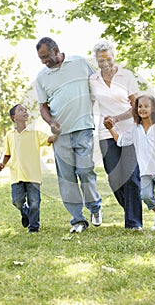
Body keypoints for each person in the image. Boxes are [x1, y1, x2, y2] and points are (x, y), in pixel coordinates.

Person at [35, 37, 102, 233]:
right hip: (60, 134)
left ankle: (95, 207)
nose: (44, 61)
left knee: (85, 170)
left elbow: (96, 85)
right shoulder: (42, 76)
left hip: (83, 127)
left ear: (56, 50)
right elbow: (43, 107)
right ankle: (78, 220)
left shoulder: (80, 63)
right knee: (67, 178)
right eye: (40, 58)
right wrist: (50, 122)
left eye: (46, 56)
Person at [89, 40, 142, 231]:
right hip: (105, 134)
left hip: (129, 130)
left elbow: (137, 105)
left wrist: (117, 119)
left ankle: (134, 223)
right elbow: (86, 103)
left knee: (131, 177)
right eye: (101, 60)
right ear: (96, 60)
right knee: (114, 179)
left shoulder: (126, 76)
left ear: (114, 56)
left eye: (108, 59)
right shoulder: (93, 80)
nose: (105, 63)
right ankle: (133, 210)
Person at [105, 94, 155, 235]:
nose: (142, 109)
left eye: (146, 106)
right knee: (145, 196)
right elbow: (121, 141)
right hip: (145, 171)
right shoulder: (135, 129)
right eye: (139, 106)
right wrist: (110, 129)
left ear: (154, 109)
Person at [0, 104, 59, 233]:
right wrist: (2, 163)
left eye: (26, 110)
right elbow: (7, 153)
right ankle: (25, 213)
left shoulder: (34, 133)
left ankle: (33, 228)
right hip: (17, 174)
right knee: (17, 201)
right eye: (21, 110)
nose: (25, 111)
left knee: (35, 203)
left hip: (33, 175)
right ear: (13, 117)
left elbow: (50, 139)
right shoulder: (9, 136)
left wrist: (56, 132)